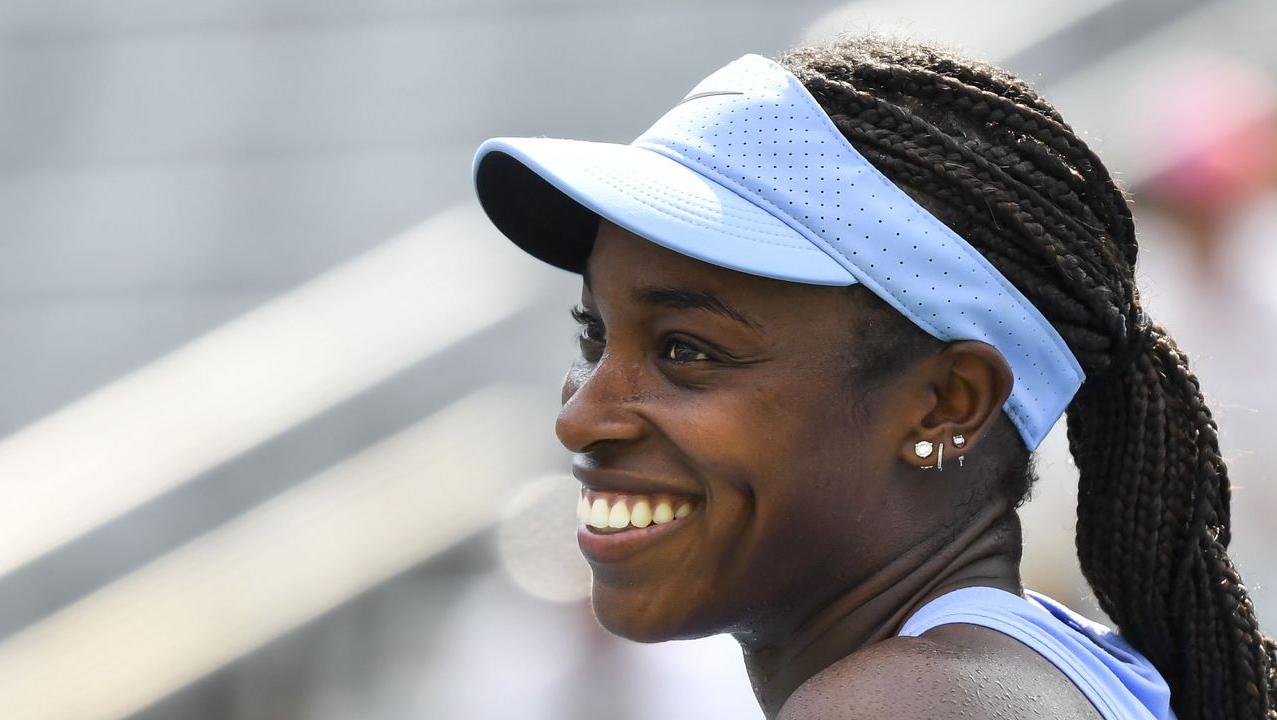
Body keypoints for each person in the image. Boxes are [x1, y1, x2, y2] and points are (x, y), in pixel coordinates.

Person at [470, 36, 1276, 720]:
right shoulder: (994, 678)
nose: (583, 418)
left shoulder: (903, 703)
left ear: (943, 405)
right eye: (594, 335)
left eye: (686, 349)